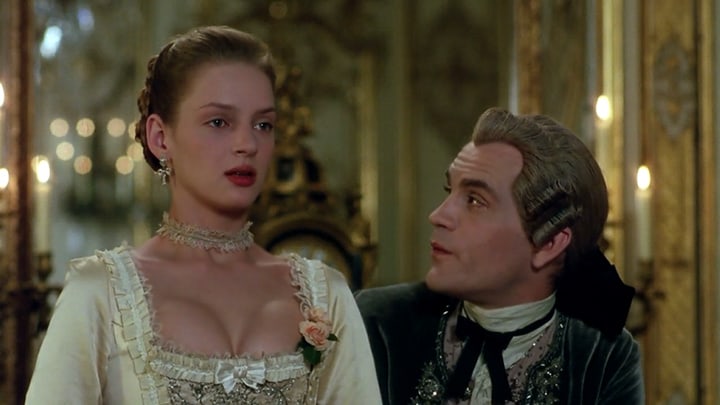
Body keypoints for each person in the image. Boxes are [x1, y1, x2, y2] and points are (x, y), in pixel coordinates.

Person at [26, 26, 381, 404]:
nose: (247, 144)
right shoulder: (100, 294)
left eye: (263, 125)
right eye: (219, 122)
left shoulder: (325, 295)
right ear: (160, 138)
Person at [356, 107, 643, 404]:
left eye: (475, 200)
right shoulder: (378, 322)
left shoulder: (603, 357)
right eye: (449, 190)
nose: (438, 215)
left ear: (549, 243)